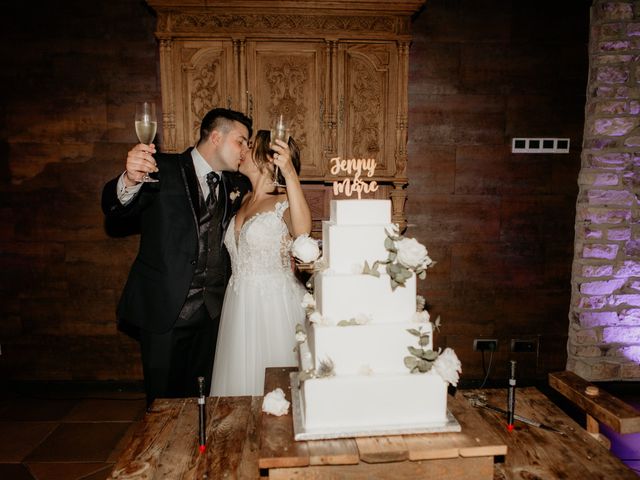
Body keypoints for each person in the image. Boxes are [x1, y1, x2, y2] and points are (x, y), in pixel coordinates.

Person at [101, 108, 252, 406]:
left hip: (213, 316)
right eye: (241, 141)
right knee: (162, 404)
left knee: (202, 402)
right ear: (215, 136)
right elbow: (116, 208)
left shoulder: (235, 184)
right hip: (165, 311)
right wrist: (129, 180)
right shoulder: (161, 168)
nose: (245, 150)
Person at [210, 130, 312, 396]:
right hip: (238, 306)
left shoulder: (283, 202)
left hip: (273, 309)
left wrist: (290, 173)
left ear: (271, 158)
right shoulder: (242, 200)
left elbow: (302, 232)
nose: (243, 149)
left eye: (250, 145)